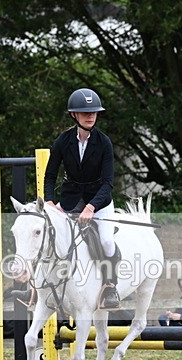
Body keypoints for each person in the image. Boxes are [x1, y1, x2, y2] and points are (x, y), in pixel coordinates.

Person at [43, 88, 120, 309]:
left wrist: (91, 207)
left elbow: (108, 183)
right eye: (85, 112)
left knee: (106, 240)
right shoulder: (63, 141)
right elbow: (50, 175)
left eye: (94, 112)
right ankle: (42, 284)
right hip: (71, 199)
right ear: (73, 115)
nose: (91, 116)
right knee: (50, 232)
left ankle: (110, 286)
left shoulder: (104, 142)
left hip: (100, 200)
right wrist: (49, 201)